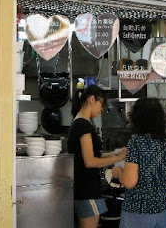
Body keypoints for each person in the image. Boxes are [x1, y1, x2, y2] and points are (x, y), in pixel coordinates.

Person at [111, 98, 166, 228]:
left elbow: (130, 182)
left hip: (138, 210)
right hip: (162, 209)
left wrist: (119, 172)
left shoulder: (136, 143)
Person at [68, 85, 126, 228]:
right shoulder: (82, 125)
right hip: (87, 190)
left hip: (86, 188)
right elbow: (90, 161)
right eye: (101, 103)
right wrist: (119, 158)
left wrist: (115, 154)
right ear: (92, 99)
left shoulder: (82, 123)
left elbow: (95, 155)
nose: (101, 109)